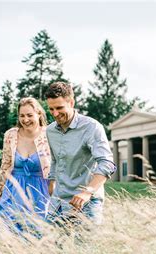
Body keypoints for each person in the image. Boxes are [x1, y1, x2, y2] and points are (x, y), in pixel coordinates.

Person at [45, 82, 116, 228]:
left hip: (86, 203)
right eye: (51, 109)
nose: (55, 114)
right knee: (48, 248)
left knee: (85, 250)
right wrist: (52, 181)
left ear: (71, 102)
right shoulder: (50, 130)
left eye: (59, 108)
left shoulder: (92, 127)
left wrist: (87, 192)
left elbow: (107, 163)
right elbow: (55, 160)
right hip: (58, 202)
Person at [0, 97, 52, 237]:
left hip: (40, 192)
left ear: (39, 114)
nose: (25, 119)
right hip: (13, 190)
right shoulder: (11, 135)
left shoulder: (50, 134)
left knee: (38, 234)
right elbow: (5, 166)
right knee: (8, 235)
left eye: (29, 115)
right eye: (22, 116)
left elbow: (58, 165)